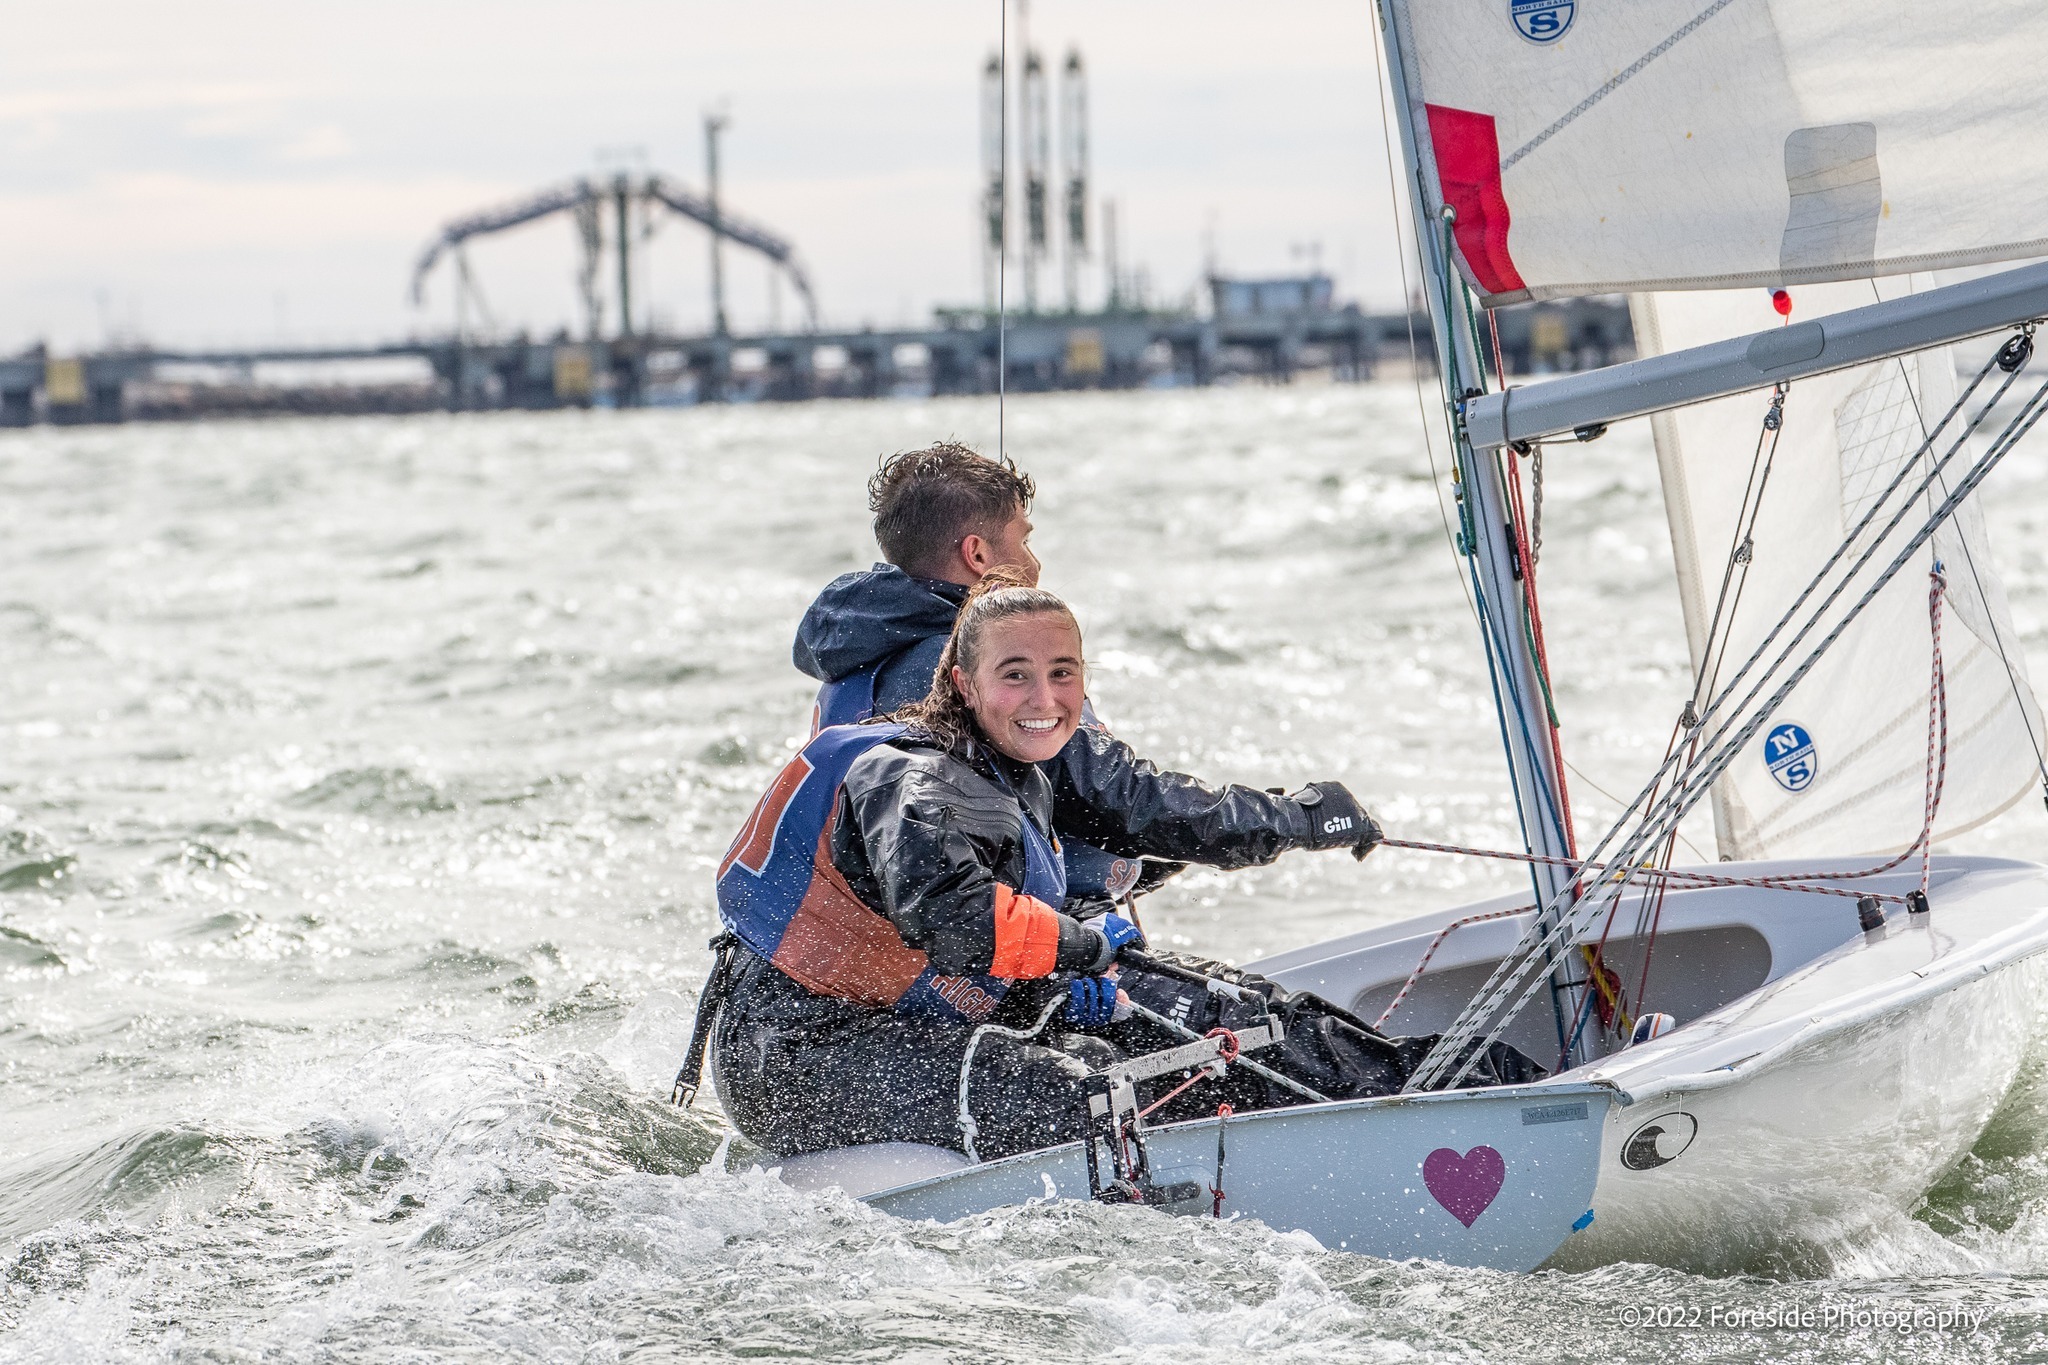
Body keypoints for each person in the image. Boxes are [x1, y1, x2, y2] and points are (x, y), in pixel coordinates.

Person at [705, 572, 1540, 1161]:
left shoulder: (1011, 766)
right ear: (961, 682)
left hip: (917, 1010)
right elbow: (955, 919)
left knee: (1236, 1015)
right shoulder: (910, 778)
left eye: (1062, 674)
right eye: (1016, 676)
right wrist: (1081, 948)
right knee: (1086, 1089)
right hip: (796, 1052)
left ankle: (1482, 1094)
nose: (1045, 698)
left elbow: (1073, 860)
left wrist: (1093, 936)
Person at [793, 439, 1158, 902]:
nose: (1034, 564)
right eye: (1024, 542)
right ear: (978, 555)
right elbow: (1109, 796)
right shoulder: (956, 663)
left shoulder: (866, 643)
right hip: (983, 926)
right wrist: (1239, 822)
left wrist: (1143, 863)